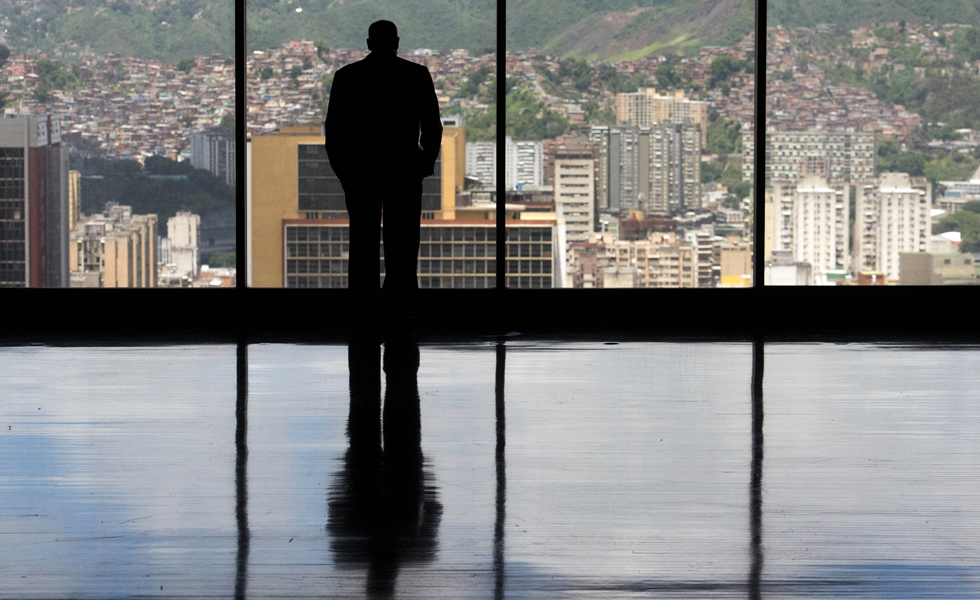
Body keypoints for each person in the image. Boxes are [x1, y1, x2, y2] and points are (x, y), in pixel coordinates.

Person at [324, 20, 443, 338]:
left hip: (361, 173)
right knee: (402, 246)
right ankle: (401, 313)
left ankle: (362, 314)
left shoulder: (347, 77)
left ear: (368, 43)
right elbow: (432, 125)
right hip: (403, 171)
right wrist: (424, 163)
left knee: (362, 246)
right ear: (397, 42)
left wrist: (345, 174)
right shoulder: (416, 75)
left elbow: (334, 134)